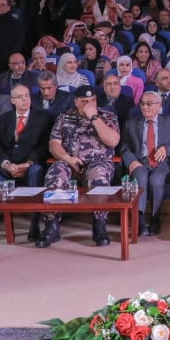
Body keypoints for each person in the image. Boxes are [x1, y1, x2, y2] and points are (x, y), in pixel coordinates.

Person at [40, 83, 121, 248]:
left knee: (98, 175)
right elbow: (54, 145)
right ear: (76, 102)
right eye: (84, 101)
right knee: (55, 173)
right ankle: (52, 224)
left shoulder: (107, 116)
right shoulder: (65, 117)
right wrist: (68, 159)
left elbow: (113, 141)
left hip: (98, 162)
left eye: (92, 101)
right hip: (70, 161)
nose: (89, 104)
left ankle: (99, 224)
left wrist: (94, 118)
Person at [0, 84, 53, 245]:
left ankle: (34, 224)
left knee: (37, 171)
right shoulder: (1, 119)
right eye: (20, 97)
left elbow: (44, 146)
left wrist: (28, 163)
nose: (25, 99)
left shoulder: (43, 118)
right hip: (7, 166)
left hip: (30, 166)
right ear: (12, 100)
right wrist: (6, 164)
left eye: (27, 95)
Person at [119, 90, 170, 237]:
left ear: (159, 105)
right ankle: (139, 218)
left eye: (149, 104)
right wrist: (132, 161)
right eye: (142, 104)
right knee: (140, 176)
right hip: (140, 161)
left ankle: (155, 217)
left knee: (156, 180)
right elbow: (124, 147)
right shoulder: (130, 124)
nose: (145, 107)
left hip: (163, 162)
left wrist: (166, 149)